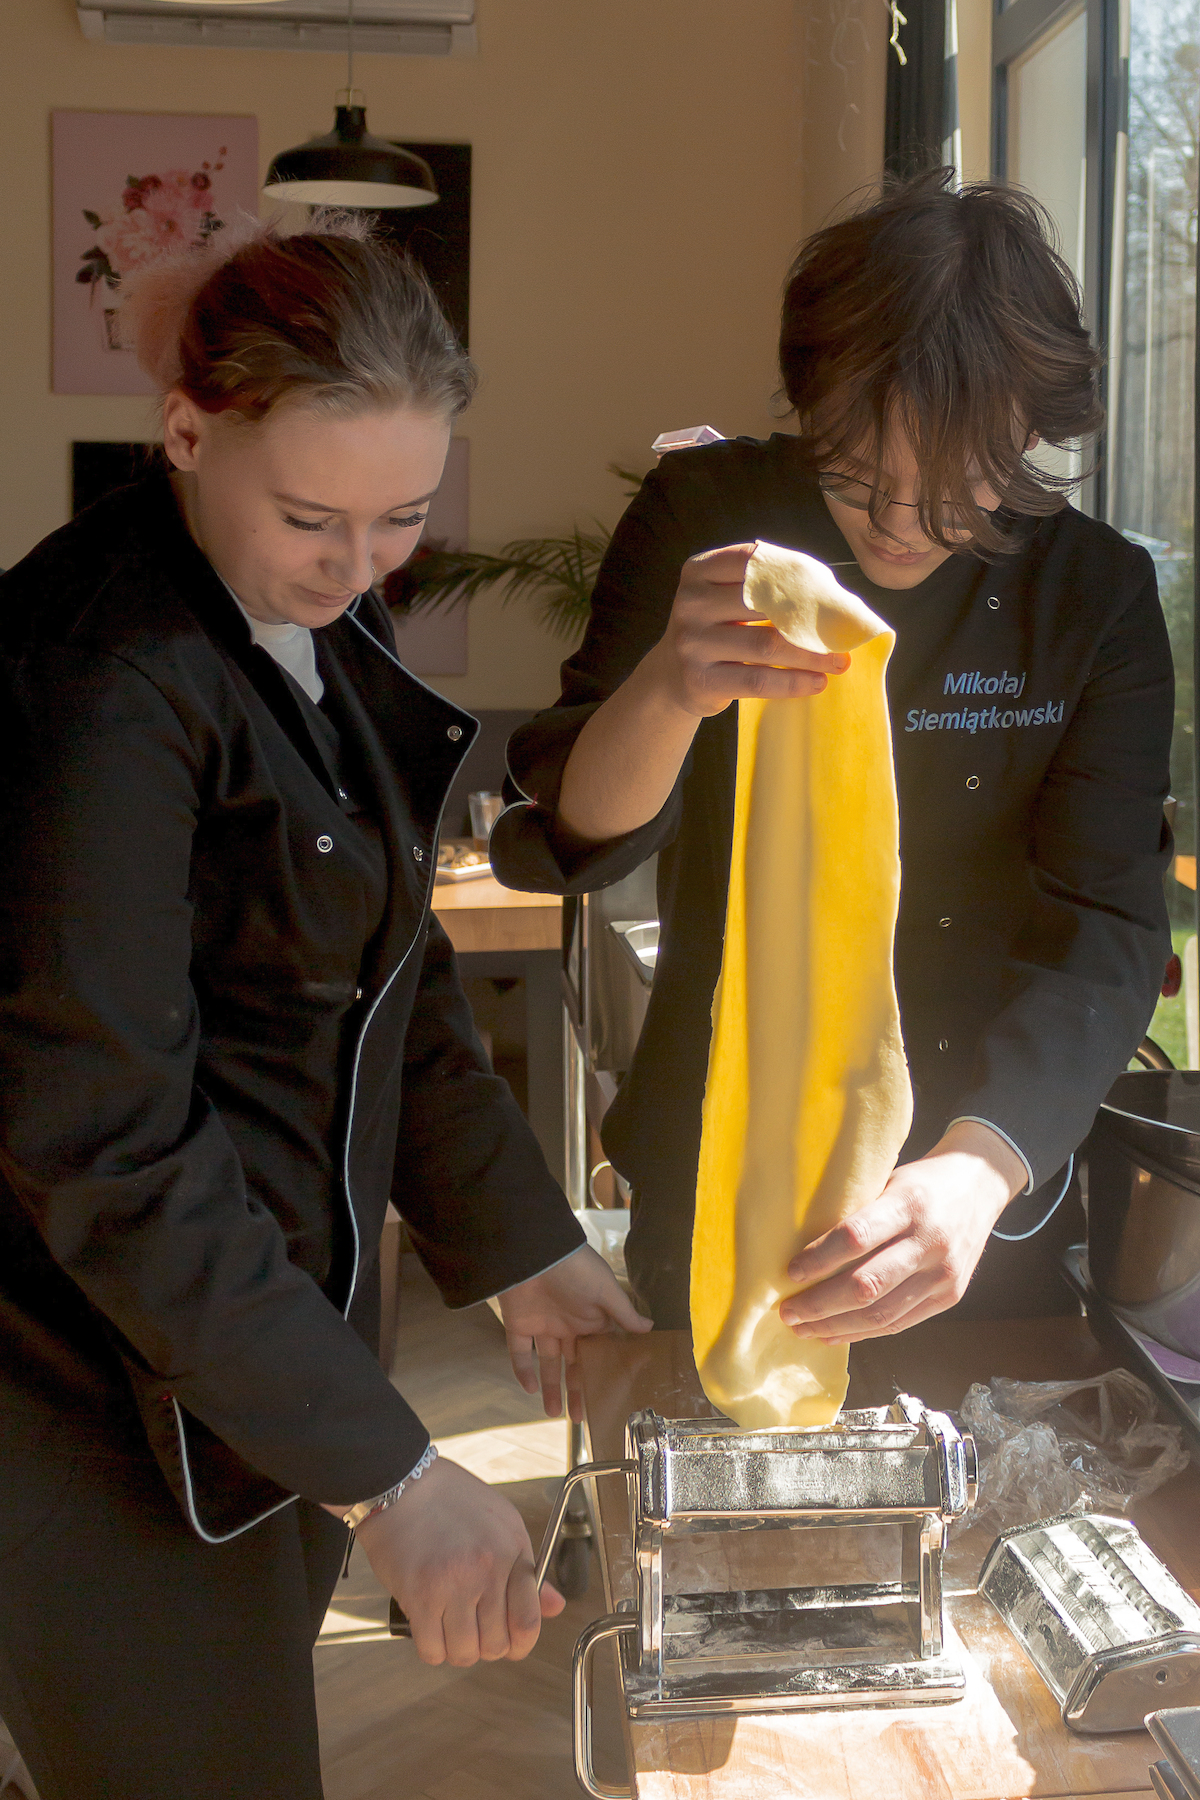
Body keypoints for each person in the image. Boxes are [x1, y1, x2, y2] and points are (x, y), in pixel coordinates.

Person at [0, 215, 647, 1800]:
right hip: (87, 1390)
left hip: (253, 1358)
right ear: (186, 432)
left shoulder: (307, 612)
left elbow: (385, 982)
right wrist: (395, 1476)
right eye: (314, 518)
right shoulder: (105, 683)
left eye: (404, 519)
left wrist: (525, 1244)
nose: (360, 568)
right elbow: (107, 1147)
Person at [490, 168, 1174, 1337]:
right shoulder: (706, 515)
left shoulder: (1093, 593)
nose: (902, 525)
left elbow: (1106, 923)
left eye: (961, 487)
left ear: (1031, 431)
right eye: (857, 477)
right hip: (723, 1143)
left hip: (983, 1166)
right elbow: (582, 837)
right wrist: (669, 686)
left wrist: (981, 1167)